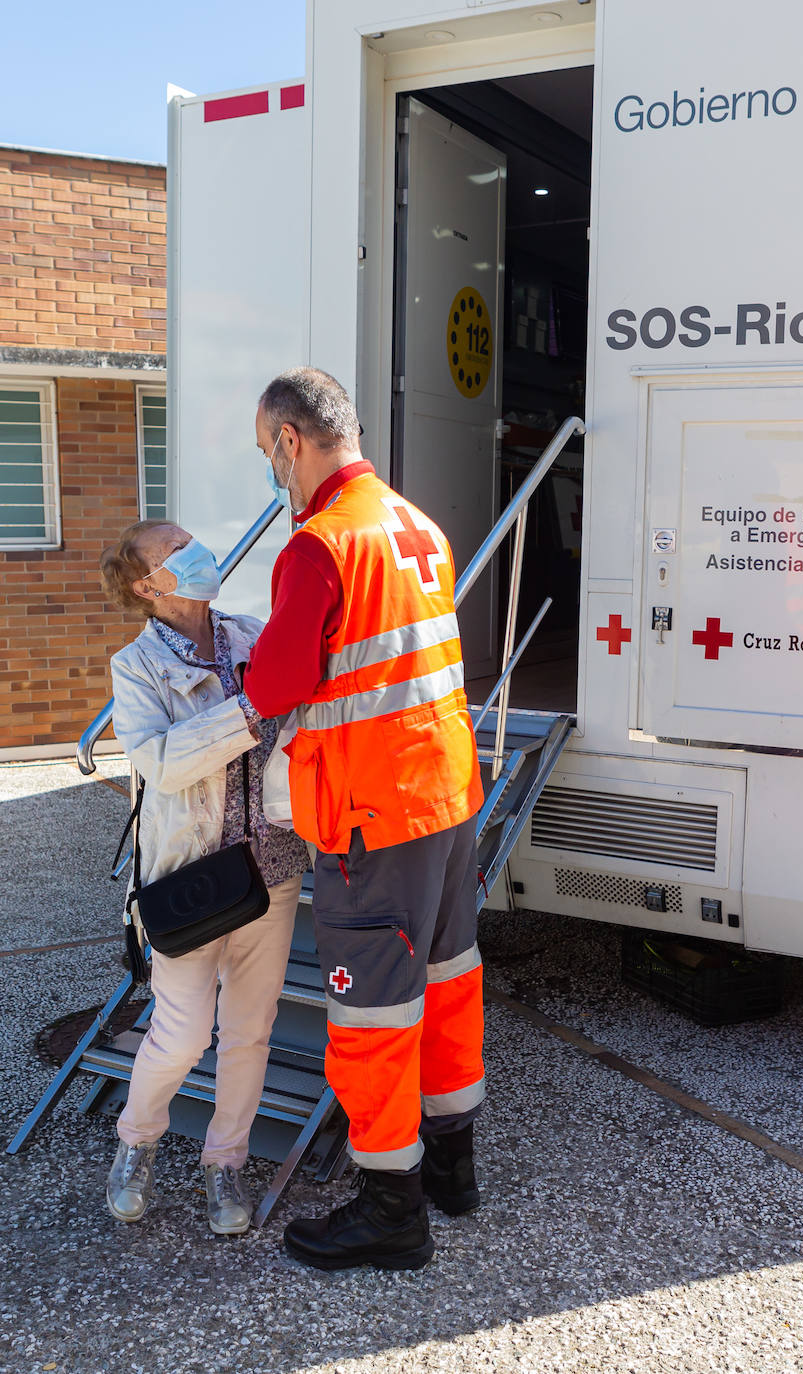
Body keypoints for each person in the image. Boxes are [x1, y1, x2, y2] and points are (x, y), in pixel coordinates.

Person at [243, 366, 485, 1272]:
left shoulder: (317, 547)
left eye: (265, 453)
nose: (271, 472)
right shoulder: (415, 523)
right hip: (445, 799)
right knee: (451, 982)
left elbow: (274, 685)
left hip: (370, 815)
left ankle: (392, 1210)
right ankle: (453, 1170)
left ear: (289, 442)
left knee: (374, 1016)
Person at [100, 519, 309, 1235]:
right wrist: (250, 712)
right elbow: (160, 761)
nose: (197, 554)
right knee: (181, 1035)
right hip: (190, 879)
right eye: (175, 551)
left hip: (272, 872)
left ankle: (225, 1164)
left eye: (192, 541)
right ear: (146, 585)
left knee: (250, 1033)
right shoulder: (136, 667)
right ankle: (137, 1142)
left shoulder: (253, 635)